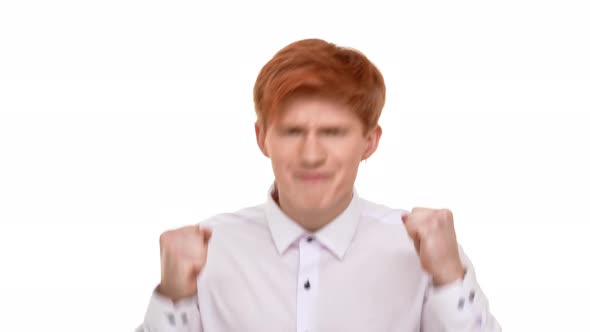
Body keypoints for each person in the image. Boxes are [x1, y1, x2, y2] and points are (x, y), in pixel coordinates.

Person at [137, 38, 501, 332]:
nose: (311, 155)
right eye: (292, 131)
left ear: (369, 142)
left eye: (333, 133)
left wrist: (450, 278)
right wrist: (173, 298)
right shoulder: (206, 251)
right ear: (262, 138)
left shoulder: (424, 252)